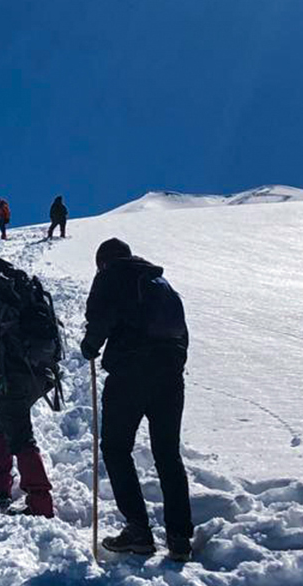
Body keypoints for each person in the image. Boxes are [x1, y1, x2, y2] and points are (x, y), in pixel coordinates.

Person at [81, 238, 194, 561]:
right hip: (170, 376)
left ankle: (139, 531)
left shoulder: (110, 276)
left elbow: (99, 318)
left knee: (116, 448)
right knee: (168, 454)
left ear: (103, 261)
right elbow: (182, 332)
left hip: (130, 373)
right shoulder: (160, 282)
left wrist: (90, 346)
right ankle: (179, 538)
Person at [0, 257, 58, 517]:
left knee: (19, 435)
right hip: (39, 376)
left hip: (7, 378)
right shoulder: (30, 293)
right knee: (0, 422)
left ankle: (40, 502)